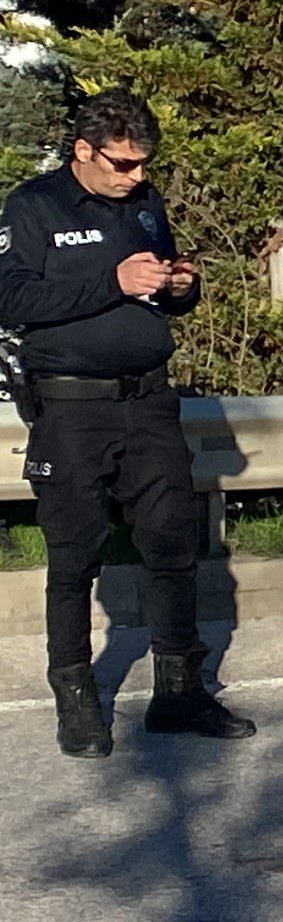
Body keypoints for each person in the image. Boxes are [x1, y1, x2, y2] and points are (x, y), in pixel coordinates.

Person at [1, 91, 247, 757]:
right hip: (72, 408)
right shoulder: (33, 207)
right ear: (83, 150)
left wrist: (180, 287)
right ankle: (77, 700)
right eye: (123, 163)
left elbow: (163, 290)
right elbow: (11, 296)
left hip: (149, 402)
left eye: (143, 164)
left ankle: (179, 694)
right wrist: (112, 279)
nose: (136, 175)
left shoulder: (145, 202)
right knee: (73, 555)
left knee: (173, 546)